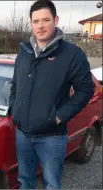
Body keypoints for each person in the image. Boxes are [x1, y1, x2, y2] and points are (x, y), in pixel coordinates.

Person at [9, 0, 94, 189]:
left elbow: (86, 89)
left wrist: (58, 117)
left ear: (55, 20)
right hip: (23, 133)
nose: (40, 26)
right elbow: (15, 84)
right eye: (36, 21)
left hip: (51, 137)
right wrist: (14, 109)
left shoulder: (72, 54)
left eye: (45, 20)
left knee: (52, 184)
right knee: (25, 181)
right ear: (31, 23)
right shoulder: (24, 52)